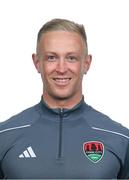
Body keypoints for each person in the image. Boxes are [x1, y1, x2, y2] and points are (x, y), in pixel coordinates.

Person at [0, 18, 129, 179]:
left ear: (86, 64)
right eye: (51, 58)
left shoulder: (120, 139)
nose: (61, 69)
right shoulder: (4, 135)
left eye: (71, 58)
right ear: (37, 62)